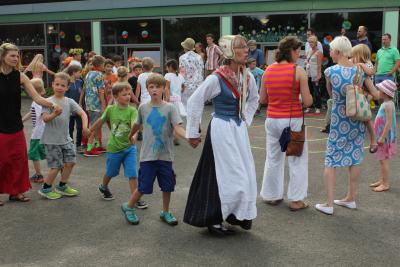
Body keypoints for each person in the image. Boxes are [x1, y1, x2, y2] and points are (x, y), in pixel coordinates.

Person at [184, 35, 259, 236]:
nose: (246, 51)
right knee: (223, 175)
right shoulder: (216, 78)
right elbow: (194, 101)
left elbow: (254, 100)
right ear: (229, 52)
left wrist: (245, 120)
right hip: (221, 129)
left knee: (244, 173)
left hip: (237, 130)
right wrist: (192, 132)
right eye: (241, 48)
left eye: (246, 48)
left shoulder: (247, 76)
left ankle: (237, 214)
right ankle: (213, 220)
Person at [315, 36, 374, 215]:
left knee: (330, 160)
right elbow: (373, 91)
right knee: (354, 158)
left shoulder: (330, 72)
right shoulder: (359, 71)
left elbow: (331, 94)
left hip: (339, 120)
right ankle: (350, 198)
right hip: (356, 119)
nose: (330, 53)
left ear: (338, 52)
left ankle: (329, 203)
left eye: (331, 50)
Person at [0, 43, 61, 206]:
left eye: (16, 56)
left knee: (18, 159)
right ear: (3, 56)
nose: (15, 58)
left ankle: (16, 192)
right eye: (11, 55)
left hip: (15, 124)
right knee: (2, 160)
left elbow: (37, 98)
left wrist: (52, 105)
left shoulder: (20, 76)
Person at [123, 73, 186, 225]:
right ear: (147, 89)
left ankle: (165, 212)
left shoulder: (170, 108)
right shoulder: (143, 108)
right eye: (151, 87)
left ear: (164, 88)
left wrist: (188, 137)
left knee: (167, 186)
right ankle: (129, 207)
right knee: (143, 187)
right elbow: (137, 124)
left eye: (158, 86)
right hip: (148, 156)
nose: (155, 90)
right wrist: (131, 135)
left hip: (165, 156)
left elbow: (177, 128)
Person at [259, 36, 313, 211]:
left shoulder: (267, 71)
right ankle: (296, 200)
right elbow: (307, 101)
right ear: (291, 51)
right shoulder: (298, 71)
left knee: (273, 158)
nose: (299, 55)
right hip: (292, 120)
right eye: (298, 51)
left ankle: (271, 195)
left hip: (272, 119)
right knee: (297, 159)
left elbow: (262, 99)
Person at [90, 82, 147, 210]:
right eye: (124, 94)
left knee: (132, 173)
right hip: (114, 149)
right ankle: (103, 186)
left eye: (129, 94)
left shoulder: (132, 110)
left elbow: (135, 125)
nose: (128, 97)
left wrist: (133, 136)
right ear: (115, 96)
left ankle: (135, 197)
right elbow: (100, 121)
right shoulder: (110, 109)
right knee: (111, 172)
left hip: (129, 148)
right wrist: (90, 131)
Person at [38, 72, 89, 200]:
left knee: (70, 162)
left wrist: (84, 126)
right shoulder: (48, 101)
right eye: (57, 84)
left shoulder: (69, 101)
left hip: (66, 139)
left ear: (67, 87)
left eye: (63, 85)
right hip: (52, 140)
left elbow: (82, 113)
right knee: (56, 166)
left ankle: (62, 186)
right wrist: (55, 113)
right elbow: (45, 119)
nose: (59, 87)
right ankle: (46, 188)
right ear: (52, 85)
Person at [370, 80, 397, 192]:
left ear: (385, 93)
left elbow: (389, 122)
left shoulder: (387, 105)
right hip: (382, 137)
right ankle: (382, 180)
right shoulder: (386, 104)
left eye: (380, 90)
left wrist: (382, 137)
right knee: (381, 160)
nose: (378, 91)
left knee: (383, 160)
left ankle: (385, 184)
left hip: (384, 138)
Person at [351, 44, 380, 153]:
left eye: (354, 55)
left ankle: (373, 140)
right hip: (361, 92)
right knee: (362, 118)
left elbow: (371, 72)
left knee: (366, 119)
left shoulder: (366, 64)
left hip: (365, 94)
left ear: (360, 55)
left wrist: (360, 64)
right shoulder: (358, 63)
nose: (352, 57)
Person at [22, 78, 47, 183]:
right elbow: (31, 112)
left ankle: (39, 175)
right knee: (49, 153)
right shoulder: (39, 101)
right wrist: (22, 120)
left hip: (38, 134)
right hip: (43, 133)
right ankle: (60, 169)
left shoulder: (37, 103)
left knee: (33, 154)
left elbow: (42, 116)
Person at [84, 55, 107, 157]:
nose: (104, 67)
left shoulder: (88, 74)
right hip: (96, 103)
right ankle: (89, 147)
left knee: (96, 124)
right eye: (104, 65)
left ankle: (97, 145)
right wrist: (103, 104)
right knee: (95, 125)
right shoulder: (99, 75)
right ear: (101, 65)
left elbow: (86, 88)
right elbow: (101, 91)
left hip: (89, 103)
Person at [65, 64, 85, 154]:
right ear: (73, 73)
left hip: (79, 109)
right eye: (79, 72)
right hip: (69, 110)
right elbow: (65, 97)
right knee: (70, 128)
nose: (81, 74)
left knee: (80, 127)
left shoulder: (80, 82)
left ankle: (78, 145)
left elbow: (82, 93)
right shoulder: (67, 83)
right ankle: (70, 144)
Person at [179, 38, 204, 108]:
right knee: (197, 108)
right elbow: (201, 70)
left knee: (187, 107)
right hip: (198, 85)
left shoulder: (182, 58)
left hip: (187, 86)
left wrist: (181, 85)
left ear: (184, 47)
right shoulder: (199, 57)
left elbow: (182, 73)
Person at [304, 35, 323, 114]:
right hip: (308, 73)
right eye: (309, 42)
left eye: (312, 42)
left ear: (315, 43)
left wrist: (319, 75)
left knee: (316, 91)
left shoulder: (319, 52)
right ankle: (308, 106)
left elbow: (319, 65)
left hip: (315, 73)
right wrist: (306, 62)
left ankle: (318, 107)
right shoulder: (308, 51)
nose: (310, 44)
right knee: (308, 91)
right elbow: (306, 59)